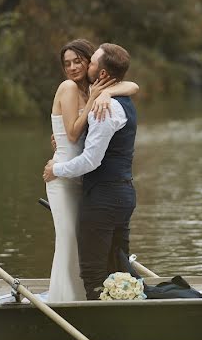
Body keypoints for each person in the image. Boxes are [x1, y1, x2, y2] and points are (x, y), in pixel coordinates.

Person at [45, 39, 139, 302]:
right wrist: (96, 99)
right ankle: (63, 300)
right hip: (61, 174)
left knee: (82, 244)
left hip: (82, 178)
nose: (72, 68)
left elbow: (132, 84)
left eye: (79, 61)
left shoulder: (93, 91)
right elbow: (73, 135)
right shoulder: (69, 88)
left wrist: (104, 93)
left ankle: (86, 299)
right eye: (67, 64)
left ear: (91, 65)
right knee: (67, 241)